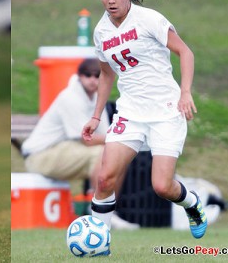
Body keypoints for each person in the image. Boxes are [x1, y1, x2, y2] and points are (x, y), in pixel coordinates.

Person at [81, 0, 207, 245]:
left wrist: (185, 92)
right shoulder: (101, 31)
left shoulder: (149, 19)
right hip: (130, 113)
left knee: (162, 187)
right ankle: (99, 245)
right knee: (104, 180)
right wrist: (96, 116)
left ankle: (192, 205)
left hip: (165, 111)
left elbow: (185, 53)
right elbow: (105, 74)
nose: (110, 0)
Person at [21, 59, 139, 229]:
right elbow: (86, 139)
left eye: (97, 75)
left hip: (64, 150)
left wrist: (119, 141)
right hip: (40, 155)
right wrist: (124, 138)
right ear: (79, 76)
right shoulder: (69, 96)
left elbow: (105, 136)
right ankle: (99, 211)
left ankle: (107, 210)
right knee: (103, 153)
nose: (92, 79)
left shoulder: (98, 98)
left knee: (114, 154)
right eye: (87, 75)